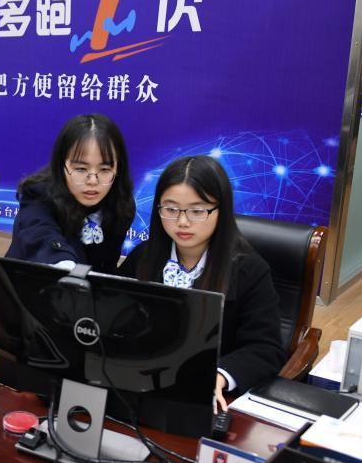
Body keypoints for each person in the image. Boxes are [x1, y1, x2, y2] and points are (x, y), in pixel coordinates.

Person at [119, 155, 285, 411]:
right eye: (171, 209)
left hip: (203, 400)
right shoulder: (142, 257)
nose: (182, 222)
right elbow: (117, 320)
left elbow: (265, 347)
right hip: (140, 390)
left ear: (221, 210)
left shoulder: (250, 270)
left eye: (197, 211)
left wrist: (218, 376)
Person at [5, 113, 136, 274]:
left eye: (104, 169)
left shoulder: (122, 205)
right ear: (62, 165)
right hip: (31, 281)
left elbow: (107, 264)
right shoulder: (38, 194)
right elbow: (42, 236)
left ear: (118, 168)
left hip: (87, 287)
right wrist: (66, 268)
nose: (92, 181)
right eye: (81, 169)